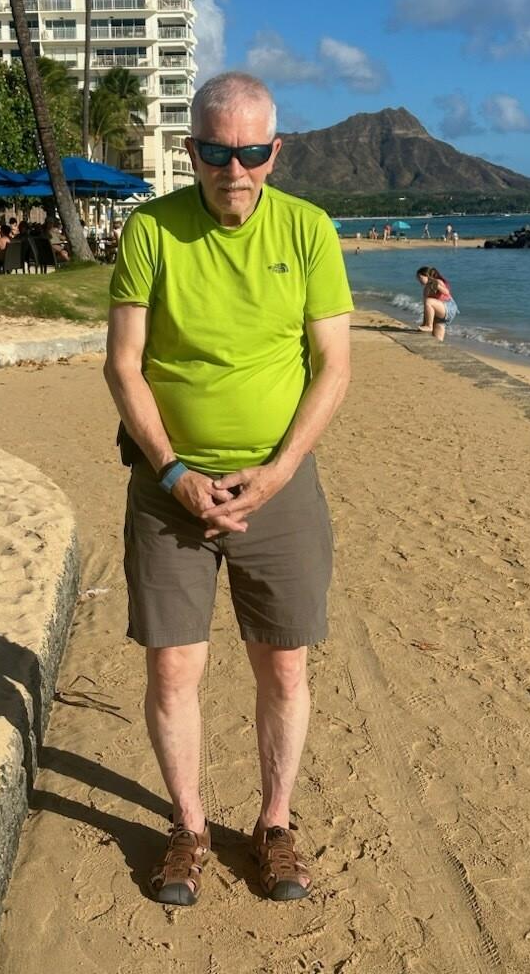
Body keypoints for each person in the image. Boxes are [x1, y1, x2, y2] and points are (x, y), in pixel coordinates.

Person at [104, 71, 352, 907]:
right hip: (167, 487)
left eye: (251, 152)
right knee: (175, 668)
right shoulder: (151, 231)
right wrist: (173, 471)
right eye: (217, 151)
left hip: (278, 486)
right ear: (192, 151)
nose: (235, 169)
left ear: (274, 152)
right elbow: (125, 366)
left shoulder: (310, 231)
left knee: (283, 668)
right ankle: (190, 825)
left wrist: (277, 472)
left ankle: (275, 824)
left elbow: (333, 368)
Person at [416, 265, 458, 342]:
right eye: (417, 278)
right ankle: (428, 325)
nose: (418, 280)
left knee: (429, 301)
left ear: (427, 276)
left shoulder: (437, 281)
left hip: (448, 308)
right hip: (439, 313)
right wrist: (423, 323)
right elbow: (427, 309)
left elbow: (446, 292)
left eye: (420, 277)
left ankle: (429, 326)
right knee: (437, 340)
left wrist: (437, 286)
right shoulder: (426, 289)